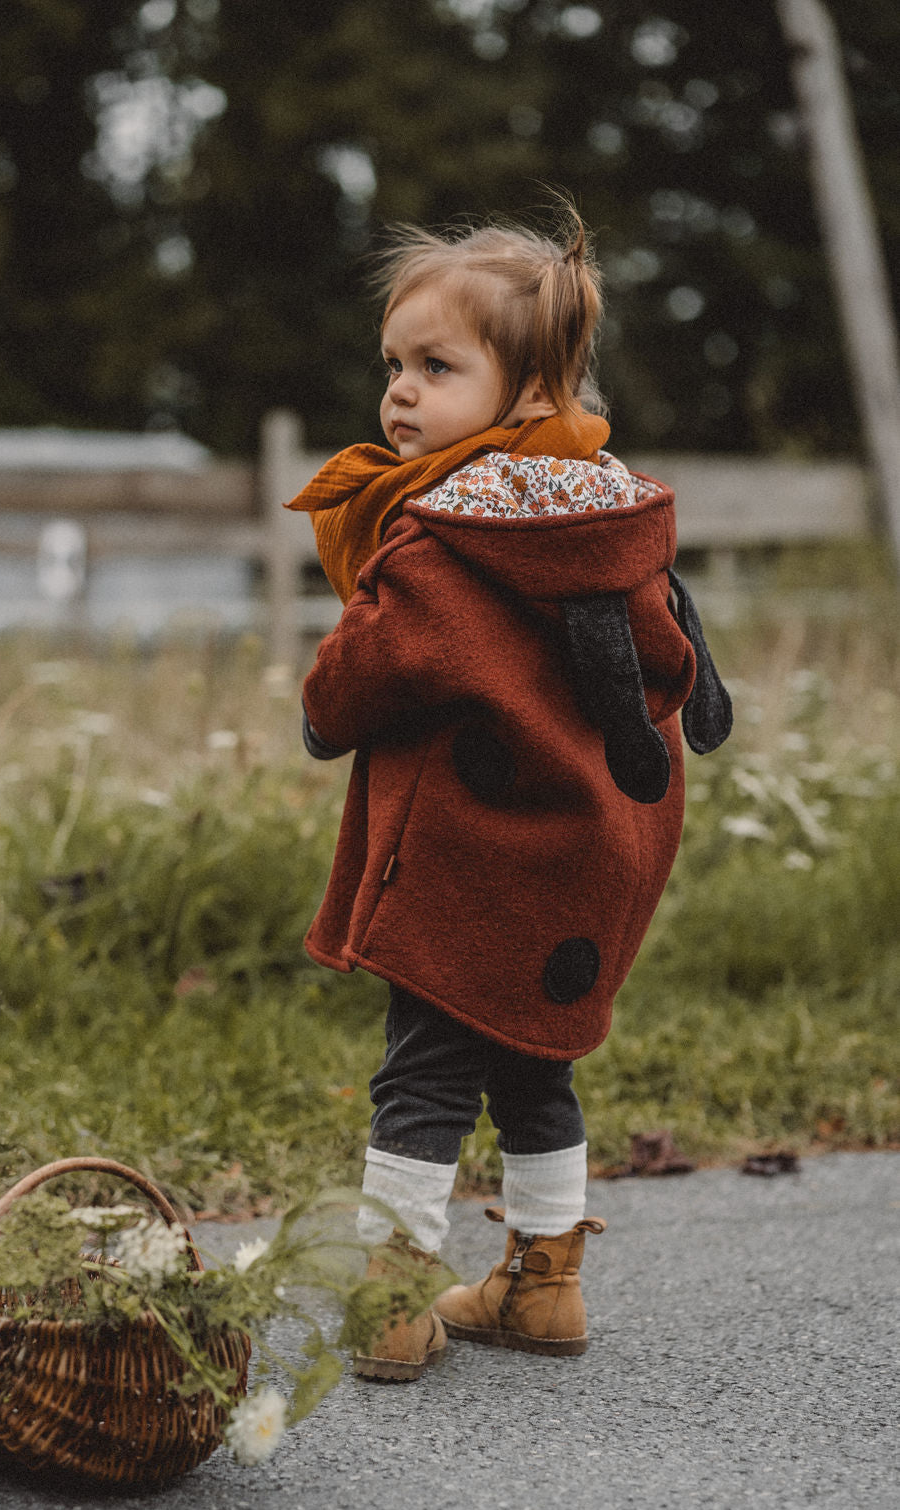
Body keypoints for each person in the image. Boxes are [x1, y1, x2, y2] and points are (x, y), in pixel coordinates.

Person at [287, 205, 731, 1381]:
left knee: (421, 1073)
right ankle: (544, 1285)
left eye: (436, 367)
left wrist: (319, 711)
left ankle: (386, 1298)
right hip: (589, 853)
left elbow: (356, 678)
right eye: (393, 364)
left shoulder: (445, 542)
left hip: (472, 861)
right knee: (537, 1063)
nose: (398, 393)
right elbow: (674, 666)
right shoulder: (609, 522)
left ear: (527, 397)